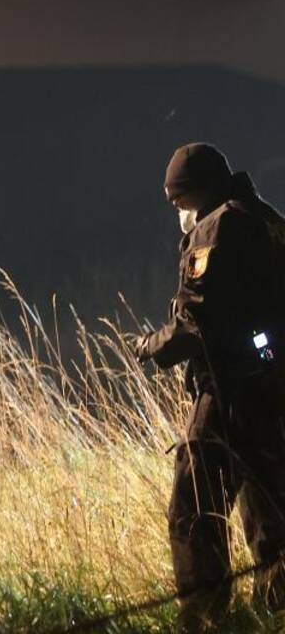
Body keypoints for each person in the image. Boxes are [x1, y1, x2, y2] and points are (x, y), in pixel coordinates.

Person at [134, 143, 285, 630]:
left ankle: (204, 616)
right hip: (272, 384)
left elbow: (199, 321)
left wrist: (152, 345)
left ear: (193, 192)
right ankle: (276, 605)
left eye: (177, 203)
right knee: (269, 500)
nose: (177, 213)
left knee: (193, 502)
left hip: (230, 385)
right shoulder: (266, 218)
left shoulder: (216, 226)